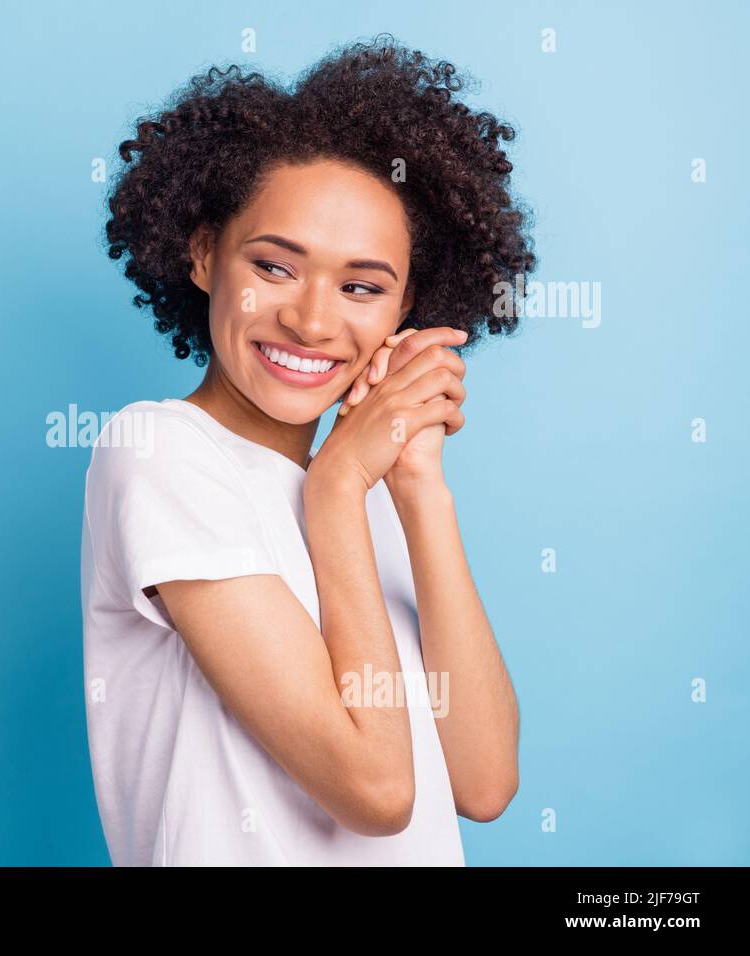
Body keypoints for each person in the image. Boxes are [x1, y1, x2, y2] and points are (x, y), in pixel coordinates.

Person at [80, 35, 530, 866]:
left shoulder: (364, 490)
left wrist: (418, 486)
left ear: (405, 310)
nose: (314, 321)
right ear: (205, 253)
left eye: (362, 287)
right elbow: (376, 791)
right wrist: (334, 491)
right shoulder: (162, 452)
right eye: (276, 267)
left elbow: (484, 782)